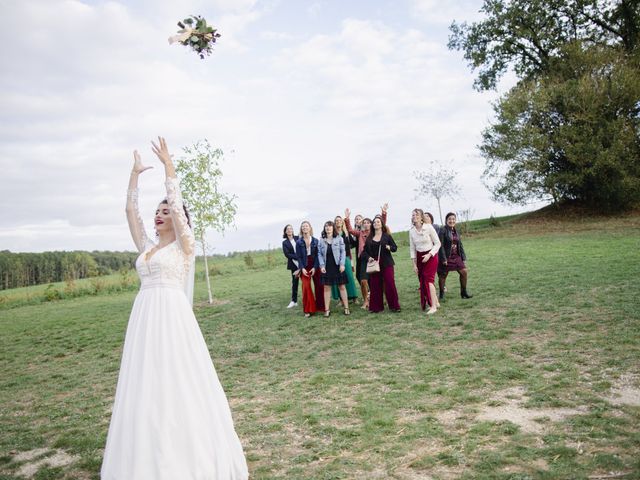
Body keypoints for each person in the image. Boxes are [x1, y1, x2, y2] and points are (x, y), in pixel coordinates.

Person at [101, 137, 248, 480]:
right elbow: (130, 213)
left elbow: (179, 208)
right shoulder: (147, 247)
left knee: (177, 378)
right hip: (144, 318)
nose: (159, 215)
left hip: (172, 317)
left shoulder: (184, 247)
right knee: (146, 379)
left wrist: (169, 168)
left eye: (166, 211)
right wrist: (134, 176)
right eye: (158, 211)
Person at [344, 204, 388, 310]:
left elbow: (383, 224)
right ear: (362, 225)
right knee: (363, 281)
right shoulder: (360, 233)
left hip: (375, 259)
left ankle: (383, 298)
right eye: (364, 223)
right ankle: (366, 301)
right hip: (364, 259)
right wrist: (347, 219)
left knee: (379, 280)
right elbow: (350, 230)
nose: (366, 224)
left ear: (371, 224)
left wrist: (384, 213)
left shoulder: (375, 233)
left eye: (368, 223)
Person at [364, 215, 401, 313]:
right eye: (374, 222)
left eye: (378, 222)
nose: (376, 223)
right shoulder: (369, 238)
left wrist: (389, 247)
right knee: (375, 284)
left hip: (386, 263)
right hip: (374, 263)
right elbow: (364, 252)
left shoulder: (386, 236)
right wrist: (369, 258)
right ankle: (376, 307)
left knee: (390, 283)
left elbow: (395, 247)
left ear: (382, 224)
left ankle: (394, 306)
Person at [410, 208, 441, 315]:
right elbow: (412, 249)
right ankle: (436, 302)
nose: (414, 216)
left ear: (421, 217)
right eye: (413, 215)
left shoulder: (428, 227)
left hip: (431, 255)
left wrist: (429, 254)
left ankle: (433, 306)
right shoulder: (411, 231)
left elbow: (438, 243)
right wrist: (414, 264)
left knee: (429, 280)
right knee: (422, 280)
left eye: (416, 215)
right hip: (419, 258)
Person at [317, 221, 350, 316]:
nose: (328, 228)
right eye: (326, 227)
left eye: (330, 226)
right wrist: (322, 266)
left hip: (338, 265)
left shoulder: (339, 239)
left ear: (333, 228)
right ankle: (327, 310)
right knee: (326, 288)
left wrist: (342, 264)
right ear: (324, 229)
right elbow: (319, 253)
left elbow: (343, 252)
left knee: (342, 286)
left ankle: (346, 308)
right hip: (326, 267)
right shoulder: (321, 240)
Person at [438, 212, 473, 300]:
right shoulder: (443, 230)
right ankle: (441, 295)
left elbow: (460, 244)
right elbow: (440, 245)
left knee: (464, 272)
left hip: (456, 256)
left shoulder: (456, 231)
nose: (451, 221)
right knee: (443, 275)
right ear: (446, 220)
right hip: (446, 256)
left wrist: (463, 257)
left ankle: (463, 292)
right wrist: (443, 258)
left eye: (453, 219)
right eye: (449, 219)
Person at [295, 221, 324, 317]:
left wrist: (315, 268)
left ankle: (320, 306)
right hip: (304, 265)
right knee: (306, 287)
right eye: (303, 226)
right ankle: (308, 309)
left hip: (315, 264)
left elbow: (317, 255)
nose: (305, 228)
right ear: (301, 229)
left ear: (310, 228)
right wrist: (302, 268)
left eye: (306, 226)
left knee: (319, 286)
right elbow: (298, 257)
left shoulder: (316, 241)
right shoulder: (299, 242)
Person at [332, 216, 358, 304]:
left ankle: (354, 297)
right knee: (338, 279)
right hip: (335, 259)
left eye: (340, 220)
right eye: (336, 221)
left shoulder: (346, 233)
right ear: (334, 223)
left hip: (346, 257)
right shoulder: (333, 234)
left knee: (349, 277)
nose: (338, 222)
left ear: (342, 222)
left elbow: (353, 244)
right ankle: (341, 299)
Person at [281, 224, 300, 308]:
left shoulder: (298, 238)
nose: (289, 230)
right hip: (293, 264)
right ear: (285, 231)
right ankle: (294, 301)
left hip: (303, 263)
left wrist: (301, 258)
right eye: (287, 229)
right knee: (295, 282)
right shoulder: (284, 242)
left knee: (307, 281)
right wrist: (297, 257)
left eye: (291, 229)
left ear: (292, 230)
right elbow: (287, 254)